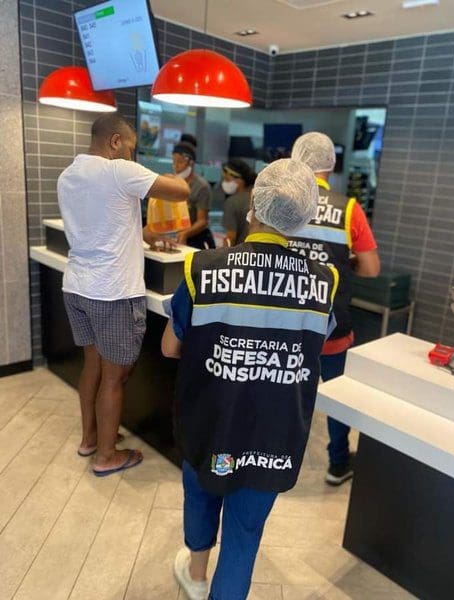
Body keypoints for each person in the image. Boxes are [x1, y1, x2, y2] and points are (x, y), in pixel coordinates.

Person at [162, 159, 338, 600]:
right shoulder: (324, 282)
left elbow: (169, 347)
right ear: (302, 217)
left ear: (253, 206)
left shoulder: (203, 268)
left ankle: (196, 575)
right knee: (244, 536)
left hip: (209, 425)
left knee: (200, 495)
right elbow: (313, 347)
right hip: (273, 436)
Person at [57, 113, 189, 477]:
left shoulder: (69, 175)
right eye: (130, 148)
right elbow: (181, 192)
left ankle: (89, 440)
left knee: (93, 367)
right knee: (114, 377)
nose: (132, 155)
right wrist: (172, 172)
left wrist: (143, 234)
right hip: (112, 292)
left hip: (77, 286)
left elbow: (102, 220)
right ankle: (106, 456)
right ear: (115, 141)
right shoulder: (119, 170)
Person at [291, 131, 380, 486]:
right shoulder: (348, 209)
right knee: (337, 395)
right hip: (331, 323)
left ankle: (276, 456)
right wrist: (344, 262)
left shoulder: (282, 201)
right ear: (331, 163)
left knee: (285, 390)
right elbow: (371, 268)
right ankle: (338, 463)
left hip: (286, 321)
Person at [171, 141, 215, 249]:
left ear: (190, 163)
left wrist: (185, 234)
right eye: (174, 161)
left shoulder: (201, 187)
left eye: (180, 162)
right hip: (177, 234)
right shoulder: (173, 183)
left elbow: (202, 221)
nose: (176, 166)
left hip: (196, 238)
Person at [221, 159, 257, 246]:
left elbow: (230, 238)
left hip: (240, 251)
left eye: (227, 179)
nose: (224, 182)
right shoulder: (257, 198)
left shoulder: (232, 202)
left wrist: (223, 253)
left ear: (240, 180)